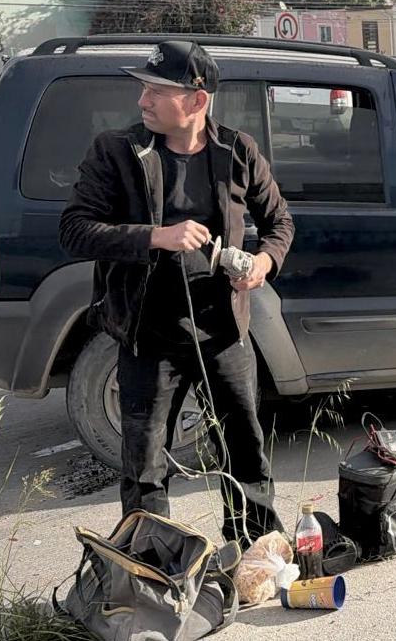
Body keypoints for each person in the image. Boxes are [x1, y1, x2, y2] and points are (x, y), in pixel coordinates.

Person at [59, 40, 293, 547]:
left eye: (157, 90)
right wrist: (154, 236)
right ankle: (151, 566)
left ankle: (253, 551)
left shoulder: (237, 150)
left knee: (245, 450)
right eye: (143, 87)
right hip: (148, 336)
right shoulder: (116, 151)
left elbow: (279, 222)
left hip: (224, 332)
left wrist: (262, 263)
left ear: (196, 99)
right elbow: (74, 231)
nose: (143, 100)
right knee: (145, 466)